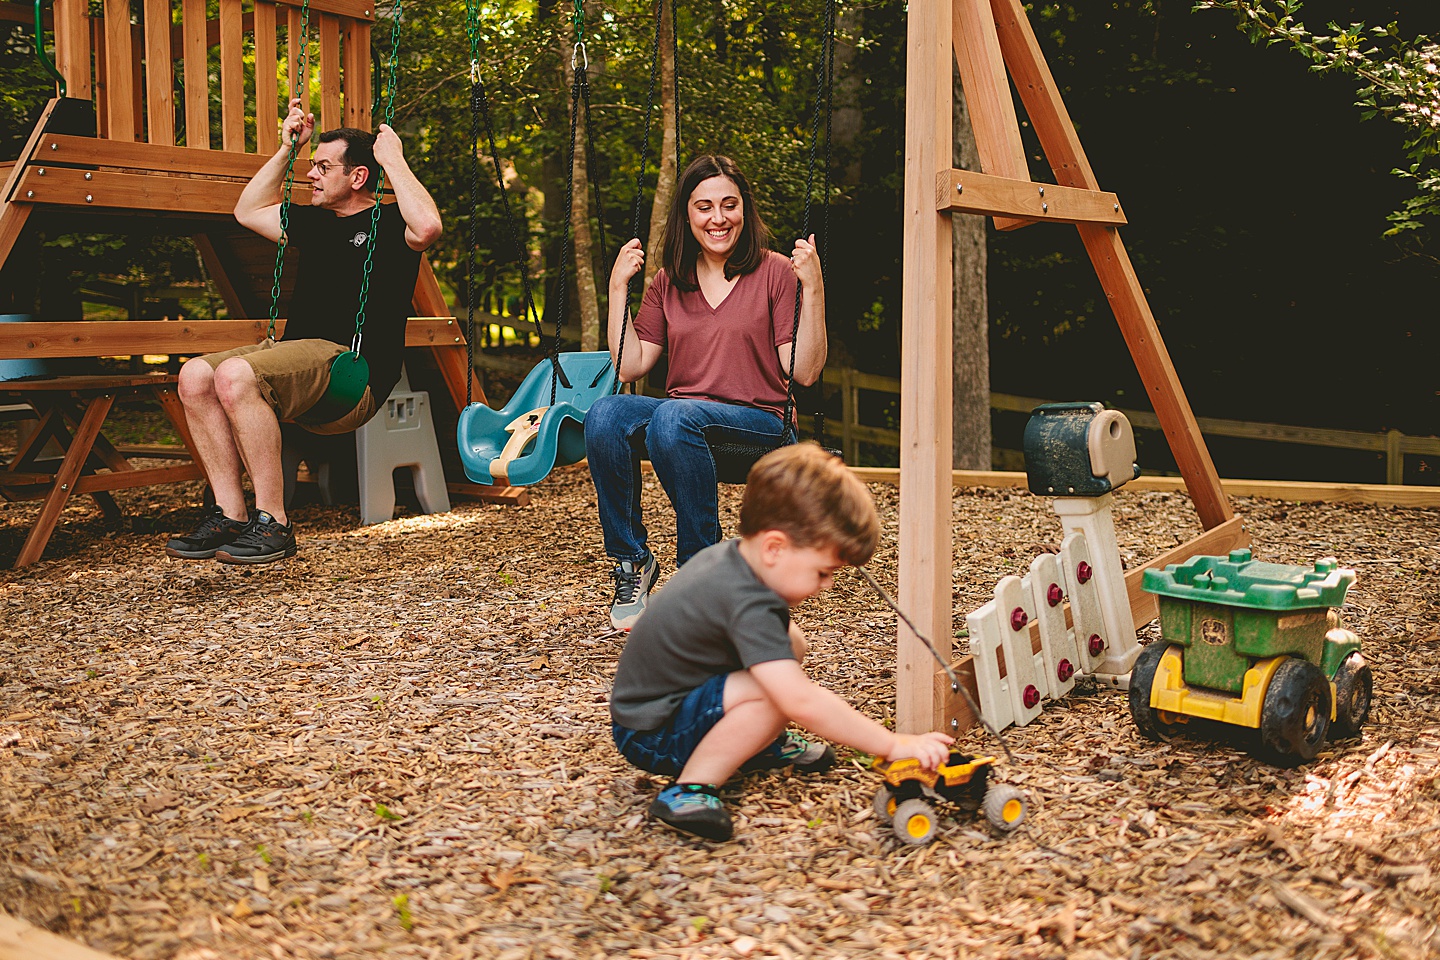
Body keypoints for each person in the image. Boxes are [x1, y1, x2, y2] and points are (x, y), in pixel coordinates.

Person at [609, 443, 954, 842]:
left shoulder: (733, 561)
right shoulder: (744, 600)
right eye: (823, 572)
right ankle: (690, 790)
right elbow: (800, 701)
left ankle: (757, 742)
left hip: (665, 706)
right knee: (776, 693)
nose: (825, 586)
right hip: (652, 733)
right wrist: (893, 744)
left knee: (792, 644)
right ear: (774, 547)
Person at [164, 99, 442, 564]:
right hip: (301, 356)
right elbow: (248, 210)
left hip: (350, 372)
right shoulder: (313, 222)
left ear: (357, 177)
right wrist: (289, 148)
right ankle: (230, 513)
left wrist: (393, 160)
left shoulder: (392, 223)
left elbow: (429, 225)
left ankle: (273, 522)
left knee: (234, 375)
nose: (310, 175)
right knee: (193, 375)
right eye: (311, 166)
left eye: (322, 167)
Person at [587, 154, 826, 630]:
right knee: (605, 414)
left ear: (745, 209)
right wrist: (617, 289)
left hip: (760, 432)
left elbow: (804, 371)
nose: (718, 218)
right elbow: (631, 363)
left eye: (729, 204)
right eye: (704, 207)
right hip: (683, 434)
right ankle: (632, 562)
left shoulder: (776, 272)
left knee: (675, 416)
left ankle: (702, 572)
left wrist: (814, 288)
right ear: (687, 216)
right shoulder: (669, 282)